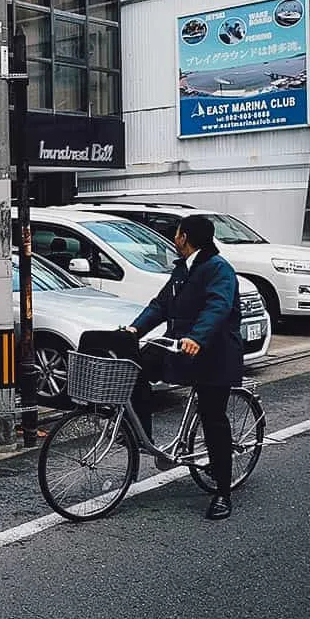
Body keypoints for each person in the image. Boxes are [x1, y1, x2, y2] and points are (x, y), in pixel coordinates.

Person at [125, 214, 243, 521]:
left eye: (176, 233)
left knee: (213, 417)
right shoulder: (182, 269)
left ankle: (222, 492)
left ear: (184, 237)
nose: (174, 238)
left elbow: (217, 306)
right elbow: (160, 305)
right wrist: (135, 330)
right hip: (181, 347)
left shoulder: (218, 269)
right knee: (134, 365)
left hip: (215, 353)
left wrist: (197, 337)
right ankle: (142, 437)